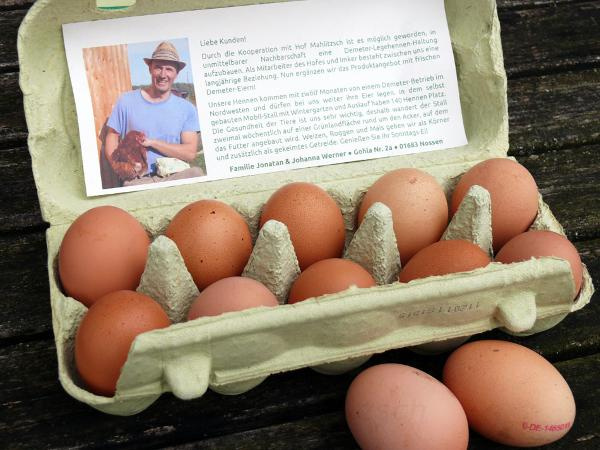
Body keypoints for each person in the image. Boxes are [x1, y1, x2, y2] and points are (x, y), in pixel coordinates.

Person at [105, 41, 203, 186]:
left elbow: (189, 152)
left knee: (196, 174)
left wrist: (153, 143)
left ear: (176, 73)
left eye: (169, 69)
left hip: (175, 175)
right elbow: (112, 136)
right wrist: (119, 167)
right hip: (138, 179)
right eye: (158, 67)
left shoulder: (187, 108)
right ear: (150, 68)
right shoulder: (126, 101)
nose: (163, 74)